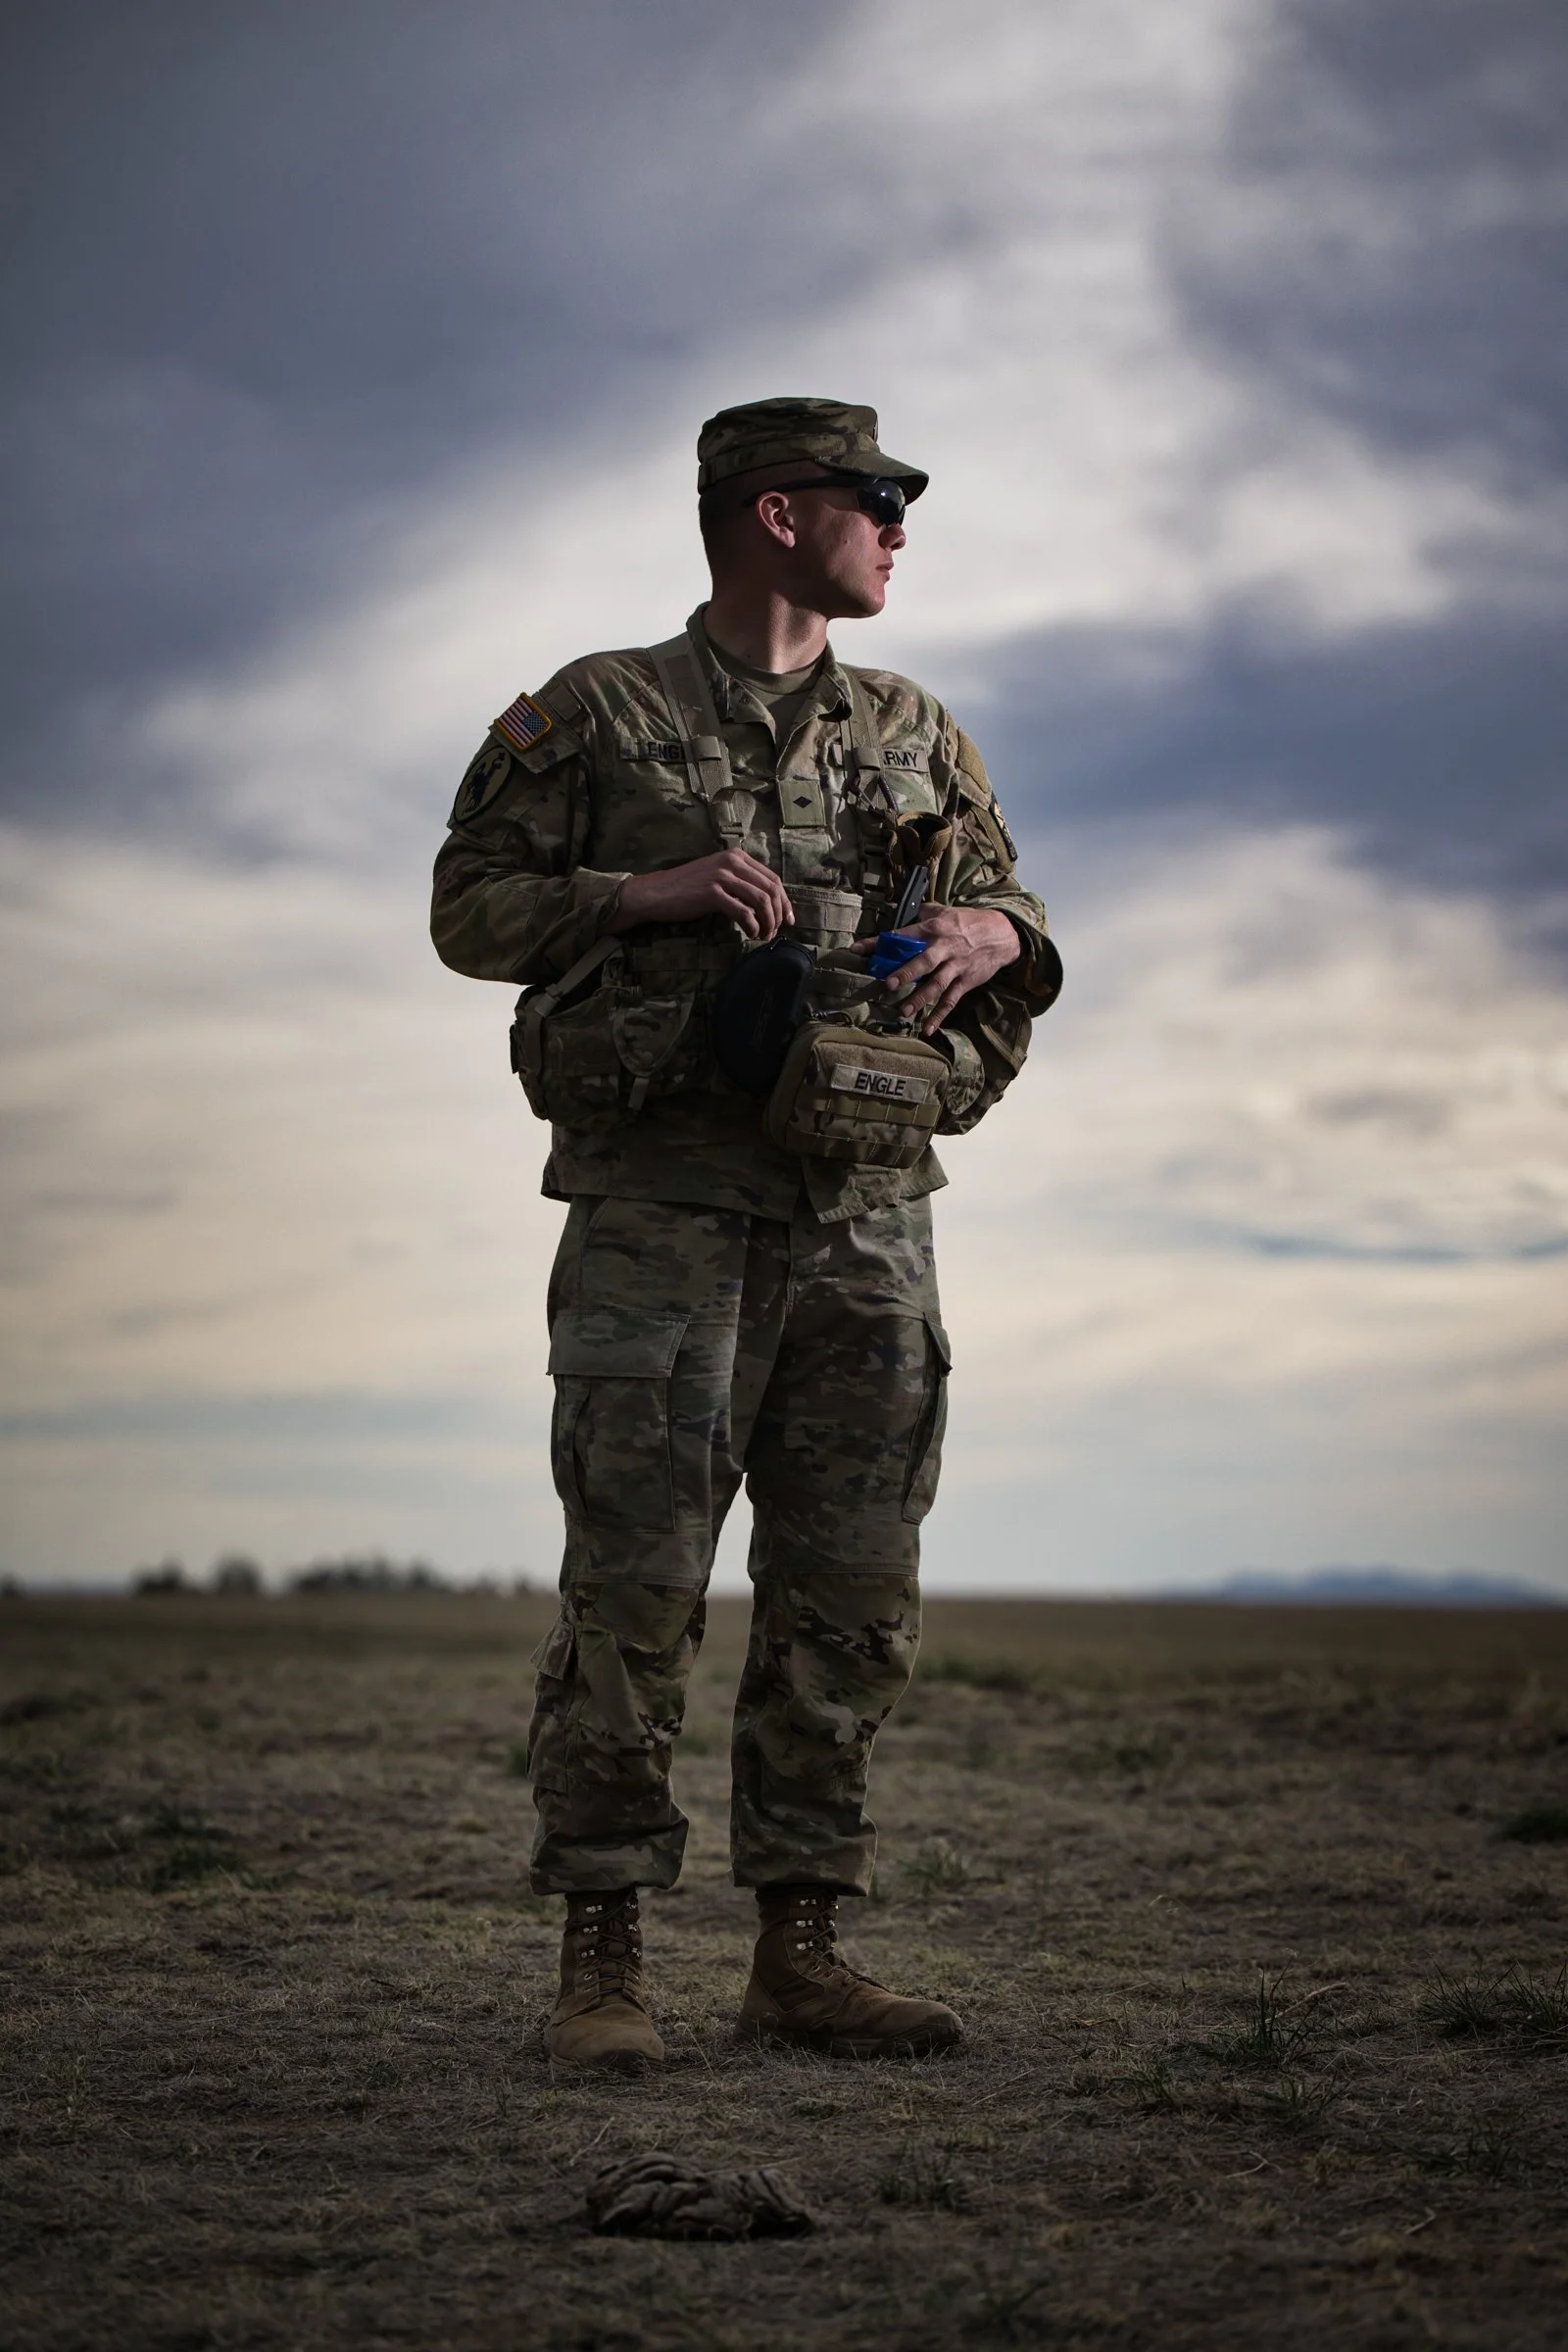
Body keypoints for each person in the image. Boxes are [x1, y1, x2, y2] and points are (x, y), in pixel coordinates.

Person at [431, 397, 1059, 2070]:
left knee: (850, 1596)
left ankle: (803, 1952)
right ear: (778, 512)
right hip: (665, 1217)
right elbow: (467, 907)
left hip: (868, 1223)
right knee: (633, 1590)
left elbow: (1011, 904)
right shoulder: (600, 712)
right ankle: (604, 1958)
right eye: (877, 494)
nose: (900, 523)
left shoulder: (918, 728)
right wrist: (646, 892)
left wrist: (998, 936)